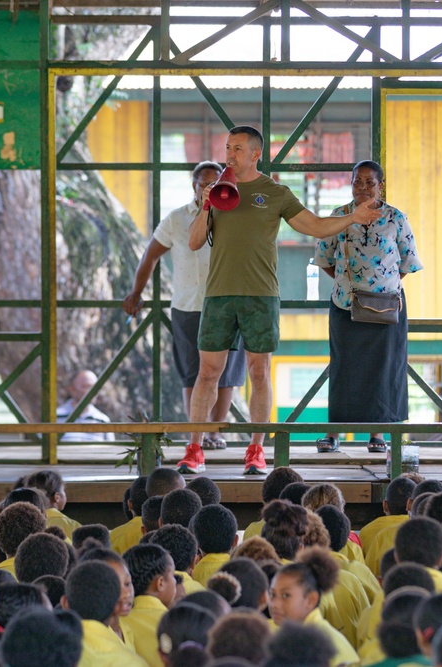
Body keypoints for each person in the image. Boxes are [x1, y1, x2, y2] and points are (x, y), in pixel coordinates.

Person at [177, 125, 382, 476]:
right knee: (208, 371)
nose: (230, 154)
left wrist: (353, 217)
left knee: (259, 371)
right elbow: (195, 242)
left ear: (256, 154)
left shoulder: (275, 193)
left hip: (261, 294)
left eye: (238, 148)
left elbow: (315, 226)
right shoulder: (217, 192)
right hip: (218, 294)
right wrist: (206, 205)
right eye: (228, 147)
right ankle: (194, 449)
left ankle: (256, 450)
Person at [123, 161, 246, 449]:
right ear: (194, 186)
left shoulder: (236, 216)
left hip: (229, 305)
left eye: (214, 183)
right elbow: (150, 255)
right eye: (204, 183)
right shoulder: (177, 219)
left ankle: (216, 433)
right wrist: (135, 292)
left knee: (226, 375)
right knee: (192, 373)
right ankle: (196, 435)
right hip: (188, 307)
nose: (208, 188)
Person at [313, 160, 423, 454]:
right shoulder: (338, 217)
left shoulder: (396, 218)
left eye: (369, 182)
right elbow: (325, 260)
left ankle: (378, 435)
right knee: (342, 368)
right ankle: (334, 433)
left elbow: (407, 262)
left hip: (385, 308)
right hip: (345, 305)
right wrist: (348, 283)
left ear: (380, 185)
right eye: (357, 182)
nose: (362, 187)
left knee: (383, 370)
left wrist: (382, 288)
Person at [56, 370, 113, 442]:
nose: (93, 391)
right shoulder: (56, 417)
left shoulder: (102, 420)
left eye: (95, 387)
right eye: (86, 387)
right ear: (72, 389)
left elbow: (111, 449)